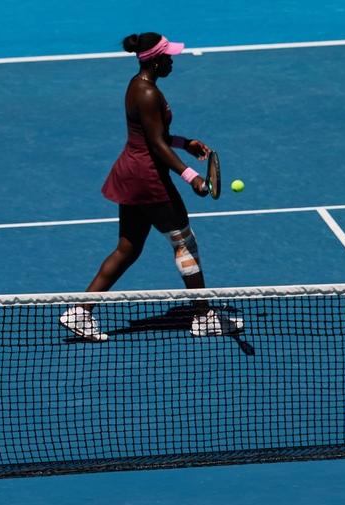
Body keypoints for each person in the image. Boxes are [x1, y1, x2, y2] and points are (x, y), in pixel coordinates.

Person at [59, 31, 240, 342]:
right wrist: (192, 177)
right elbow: (156, 144)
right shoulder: (148, 94)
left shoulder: (138, 85)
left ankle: (80, 311)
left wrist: (184, 143)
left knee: (127, 248)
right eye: (167, 57)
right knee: (184, 243)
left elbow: (153, 135)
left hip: (132, 175)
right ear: (155, 61)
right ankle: (203, 316)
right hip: (148, 179)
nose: (172, 61)